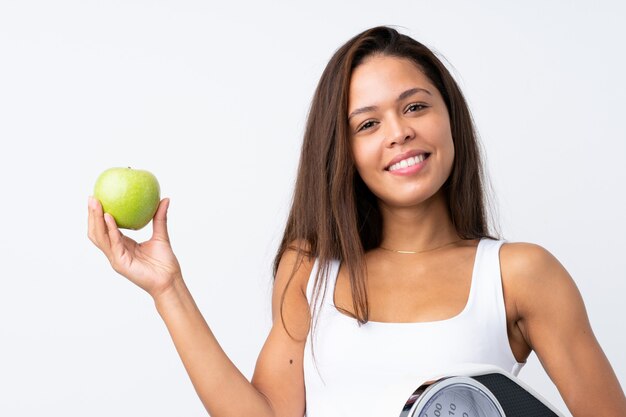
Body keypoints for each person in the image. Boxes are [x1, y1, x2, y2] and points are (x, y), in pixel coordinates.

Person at [87, 26, 626, 416]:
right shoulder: (309, 269)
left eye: (415, 107)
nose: (399, 132)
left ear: (449, 117)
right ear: (341, 150)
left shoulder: (521, 274)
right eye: (368, 123)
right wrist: (167, 289)